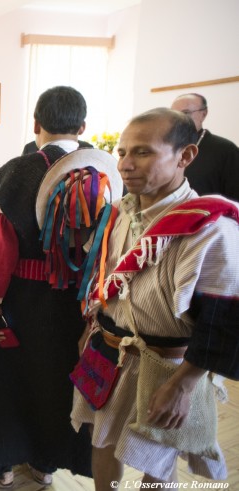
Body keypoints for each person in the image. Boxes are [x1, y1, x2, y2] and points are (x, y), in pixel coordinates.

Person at [70, 107, 239, 490]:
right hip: (109, 349)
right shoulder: (121, 214)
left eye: (143, 152)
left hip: (168, 366)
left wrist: (183, 385)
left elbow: (224, 321)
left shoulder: (211, 230)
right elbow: (111, 280)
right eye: (123, 152)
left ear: (185, 156)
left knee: (157, 460)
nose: (126, 164)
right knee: (102, 438)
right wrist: (96, 328)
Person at [0, 86, 97, 488]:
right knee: (59, 379)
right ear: (83, 126)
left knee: (6, 379)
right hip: (75, 302)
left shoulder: (20, 170)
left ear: (36, 124)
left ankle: (3, 462)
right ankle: (46, 462)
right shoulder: (101, 172)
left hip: (20, 299)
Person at [170, 93, 239, 201]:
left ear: (204, 114)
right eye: (174, 114)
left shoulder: (226, 150)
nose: (179, 118)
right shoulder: (166, 147)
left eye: (186, 113)